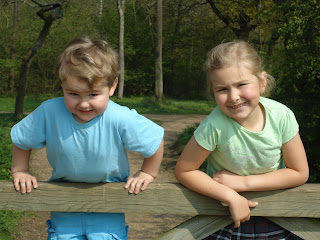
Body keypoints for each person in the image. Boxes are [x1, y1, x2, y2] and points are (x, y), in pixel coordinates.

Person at [11, 37, 164, 240]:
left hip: (109, 204)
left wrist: (148, 172)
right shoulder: (50, 111)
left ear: (112, 86)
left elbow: (155, 139)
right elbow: (22, 139)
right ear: (62, 85)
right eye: (73, 93)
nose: (83, 104)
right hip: (64, 203)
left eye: (93, 95)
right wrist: (20, 170)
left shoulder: (119, 116)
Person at [175, 40, 309, 239]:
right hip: (222, 220)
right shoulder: (215, 125)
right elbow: (184, 170)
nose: (233, 97)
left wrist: (242, 183)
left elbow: (299, 172)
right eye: (222, 89)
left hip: (278, 218)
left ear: (262, 82)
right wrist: (229, 195)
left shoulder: (282, 116)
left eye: (241, 85)